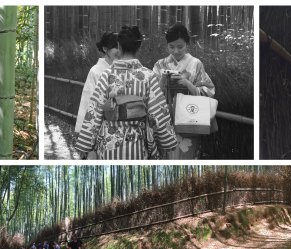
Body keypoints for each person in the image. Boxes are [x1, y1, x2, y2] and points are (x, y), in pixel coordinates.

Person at [74, 25, 178, 160]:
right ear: (138, 48)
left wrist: (87, 146)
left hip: (109, 142)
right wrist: (167, 141)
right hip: (137, 141)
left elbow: (93, 112)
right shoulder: (148, 76)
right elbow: (159, 112)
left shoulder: (107, 75)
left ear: (119, 45)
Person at [153, 23, 216, 159]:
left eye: (180, 46)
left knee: (188, 152)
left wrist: (189, 84)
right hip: (166, 116)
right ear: (167, 46)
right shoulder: (160, 64)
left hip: (190, 115)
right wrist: (163, 80)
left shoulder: (196, 63)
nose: (176, 51)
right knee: (166, 153)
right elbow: (153, 93)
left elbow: (209, 90)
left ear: (187, 44)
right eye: (171, 47)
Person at [75, 32, 119, 159]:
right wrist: (83, 133)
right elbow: (87, 102)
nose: (119, 51)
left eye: (120, 47)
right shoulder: (95, 71)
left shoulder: (123, 70)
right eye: (115, 47)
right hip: (100, 124)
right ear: (105, 49)